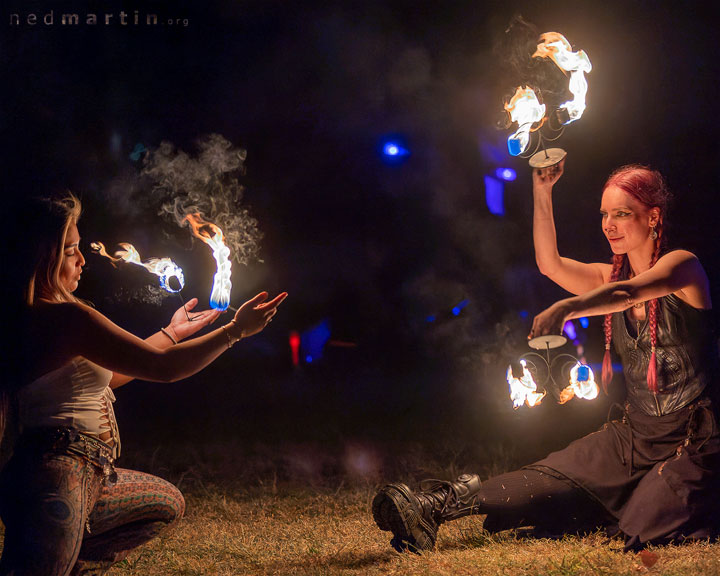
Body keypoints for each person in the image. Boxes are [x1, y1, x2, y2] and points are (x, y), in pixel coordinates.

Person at [372, 162, 719, 552]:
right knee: (556, 474)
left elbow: (629, 295)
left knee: (642, 523)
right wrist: (543, 190)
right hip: (636, 435)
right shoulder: (609, 277)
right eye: (604, 214)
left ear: (653, 216)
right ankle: (431, 508)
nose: (609, 224)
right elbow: (548, 264)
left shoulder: (683, 266)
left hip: (696, 439)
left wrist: (565, 309)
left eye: (622, 213)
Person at [0, 193, 287, 575]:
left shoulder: (44, 317)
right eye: (71, 251)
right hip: (56, 475)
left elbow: (111, 377)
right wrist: (235, 332)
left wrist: (171, 332)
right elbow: (163, 368)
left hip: (89, 474)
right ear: (42, 255)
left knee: (165, 503)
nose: (83, 259)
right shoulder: (65, 319)